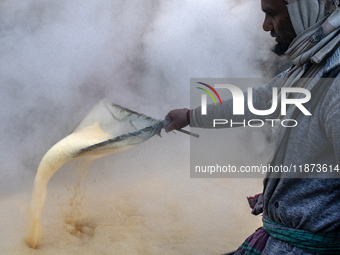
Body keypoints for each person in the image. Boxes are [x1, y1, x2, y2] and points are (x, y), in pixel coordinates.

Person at [165, 0, 340, 254]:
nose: (265, 26)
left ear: (304, 10)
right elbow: (259, 101)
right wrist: (192, 116)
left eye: (272, 14)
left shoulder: (334, 80)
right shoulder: (310, 66)